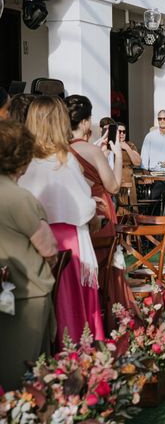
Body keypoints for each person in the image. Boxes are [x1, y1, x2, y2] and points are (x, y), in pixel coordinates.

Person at [18, 96, 104, 348]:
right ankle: (76, 349)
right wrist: (94, 212)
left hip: (32, 241)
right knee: (70, 301)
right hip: (68, 243)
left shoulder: (24, 162)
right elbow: (84, 205)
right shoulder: (64, 160)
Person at [0, 120, 57, 390]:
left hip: (8, 292)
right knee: (25, 376)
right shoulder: (19, 198)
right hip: (25, 294)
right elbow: (48, 249)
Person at [65, 95, 122, 270]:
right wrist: (118, 156)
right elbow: (113, 187)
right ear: (84, 122)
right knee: (105, 263)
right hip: (99, 210)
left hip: (74, 212)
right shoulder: (93, 151)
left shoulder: (60, 149)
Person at [116, 122, 142, 215]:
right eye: (119, 131)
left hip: (128, 176)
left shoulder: (130, 145)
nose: (122, 134)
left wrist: (127, 148)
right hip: (115, 176)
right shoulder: (110, 145)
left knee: (130, 204)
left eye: (124, 132)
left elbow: (137, 162)